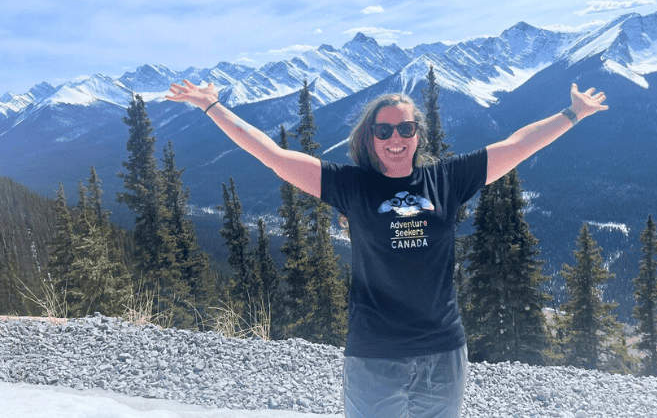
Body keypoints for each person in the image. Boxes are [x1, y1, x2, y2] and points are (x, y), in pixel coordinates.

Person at [166, 79, 608, 417]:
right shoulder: (352, 185)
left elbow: (518, 144)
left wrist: (572, 114)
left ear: (417, 134)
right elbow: (274, 157)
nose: (395, 138)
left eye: (406, 128)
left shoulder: (447, 179)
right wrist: (211, 106)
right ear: (371, 137)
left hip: (444, 355)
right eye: (384, 130)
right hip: (374, 356)